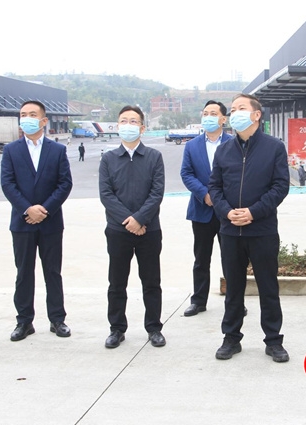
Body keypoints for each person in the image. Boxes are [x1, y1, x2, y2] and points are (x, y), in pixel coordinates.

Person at [209, 93, 290, 363]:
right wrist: (226, 211)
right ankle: (231, 338)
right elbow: (214, 187)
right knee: (233, 289)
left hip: (262, 230)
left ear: (256, 115)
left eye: (241, 108)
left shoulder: (274, 147)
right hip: (230, 231)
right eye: (232, 110)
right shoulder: (223, 150)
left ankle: (274, 341)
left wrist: (253, 212)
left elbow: (280, 186)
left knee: (268, 287)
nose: (235, 113)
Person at [0, 100, 73, 342]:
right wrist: (27, 209)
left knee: (53, 272)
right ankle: (24, 321)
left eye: (32, 114)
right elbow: (7, 184)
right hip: (22, 223)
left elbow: (65, 184)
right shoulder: (11, 150)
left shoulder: (57, 150)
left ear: (43, 120)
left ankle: (57, 319)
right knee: (24, 272)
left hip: (50, 222)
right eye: (23, 114)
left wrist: (45, 209)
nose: (27, 118)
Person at [99, 105, 166, 349]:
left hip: (149, 230)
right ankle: (117, 328)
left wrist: (140, 219)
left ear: (142, 128)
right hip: (118, 231)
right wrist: (129, 221)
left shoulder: (154, 157)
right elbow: (106, 195)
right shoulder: (108, 159)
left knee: (151, 282)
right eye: (124, 121)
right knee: (117, 282)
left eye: (133, 121)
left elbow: (156, 193)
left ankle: (154, 328)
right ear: (118, 126)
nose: (128, 125)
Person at [180, 100, 234, 317]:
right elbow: (186, 174)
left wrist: (219, 198)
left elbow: (239, 174)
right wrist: (204, 194)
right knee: (201, 258)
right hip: (201, 210)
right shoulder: (192, 146)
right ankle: (198, 301)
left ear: (223, 119)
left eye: (213, 113)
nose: (208, 117)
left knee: (231, 258)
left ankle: (235, 300)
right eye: (205, 113)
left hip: (228, 210)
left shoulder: (234, 143)